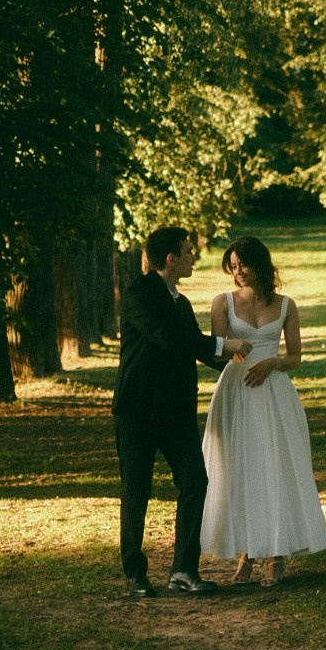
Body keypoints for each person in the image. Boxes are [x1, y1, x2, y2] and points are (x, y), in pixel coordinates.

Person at [112, 224, 242, 598]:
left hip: (176, 412)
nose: (192, 258)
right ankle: (136, 572)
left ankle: (183, 570)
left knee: (195, 482)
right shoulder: (138, 294)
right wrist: (223, 341)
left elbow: (195, 349)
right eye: (188, 251)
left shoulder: (181, 303)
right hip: (136, 410)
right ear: (170, 258)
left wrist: (237, 368)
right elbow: (168, 340)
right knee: (137, 490)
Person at [200, 234, 326, 586]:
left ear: (261, 265)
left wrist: (271, 363)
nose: (239, 271)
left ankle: (276, 554)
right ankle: (244, 553)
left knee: (273, 465)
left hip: (273, 390)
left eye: (245, 264)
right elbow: (215, 352)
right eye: (234, 266)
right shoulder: (222, 303)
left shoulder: (286, 305)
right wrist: (231, 348)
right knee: (240, 467)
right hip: (238, 389)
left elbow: (296, 358)